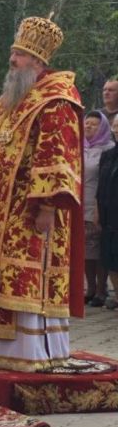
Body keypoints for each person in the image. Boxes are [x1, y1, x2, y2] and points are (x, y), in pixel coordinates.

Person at [0, 17, 84, 372]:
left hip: (29, 209)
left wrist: (48, 205)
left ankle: (30, 353)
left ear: (37, 60)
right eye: (12, 52)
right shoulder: (9, 98)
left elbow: (58, 152)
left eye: (19, 54)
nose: (12, 59)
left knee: (22, 279)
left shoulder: (57, 98)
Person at [83, 110, 114, 306]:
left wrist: (97, 207)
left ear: (102, 127)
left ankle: (102, 289)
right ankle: (90, 287)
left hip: (97, 203)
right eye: (87, 123)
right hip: (79, 203)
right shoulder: (80, 146)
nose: (88, 127)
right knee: (86, 250)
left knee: (99, 249)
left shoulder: (108, 149)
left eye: (93, 124)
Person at [98, 115, 118, 309]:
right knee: (110, 254)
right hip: (107, 210)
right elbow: (100, 184)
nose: (117, 129)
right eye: (115, 126)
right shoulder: (109, 154)